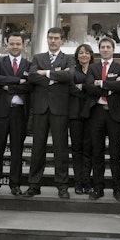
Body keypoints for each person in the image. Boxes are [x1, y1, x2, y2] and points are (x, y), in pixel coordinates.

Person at [25, 27, 74, 198]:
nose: (53, 41)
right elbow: (32, 77)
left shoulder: (68, 59)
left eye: (56, 38)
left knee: (60, 148)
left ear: (62, 41)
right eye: (50, 38)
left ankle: (62, 186)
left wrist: (45, 73)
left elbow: (69, 76)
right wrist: (56, 77)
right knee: (37, 147)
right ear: (47, 39)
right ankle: (34, 184)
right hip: (40, 108)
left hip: (59, 108)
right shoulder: (38, 57)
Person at [0, 33, 31, 196]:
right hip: (0, 113)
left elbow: (29, 86)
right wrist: (17, 81)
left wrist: (8, 87)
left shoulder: (29, 65)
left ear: (23, 45)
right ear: (7, 45)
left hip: (19, 113)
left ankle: (15, 184)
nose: (15, 46)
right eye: (12, 43)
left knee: (17, 150)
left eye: (18, 44)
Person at [85, 37, 120, 201]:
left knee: (115, 154)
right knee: (97, 152)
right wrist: (111, 86)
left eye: (108, 47)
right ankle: (98, 188)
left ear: (113, 49)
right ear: (99, 50)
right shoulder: (93, 67)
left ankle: (117, 188)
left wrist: (102, 84)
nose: (105, 49)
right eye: (102, 47)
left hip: (114, 115)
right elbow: (89, 87)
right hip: (97, 113)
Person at [69, 43, 94, 195]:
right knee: (77, 149)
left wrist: (83, 87)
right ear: (77, 56)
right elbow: (71, 89)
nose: (84, 55)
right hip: (75, 115)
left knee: (89, 149)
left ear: (91, 55)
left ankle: (87, 181)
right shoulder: (72, 71)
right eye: (81, 53)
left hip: (91, 114)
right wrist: (88, 90)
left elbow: (96, 89)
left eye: (86, 52)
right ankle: (78, 182)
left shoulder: (95, 70)